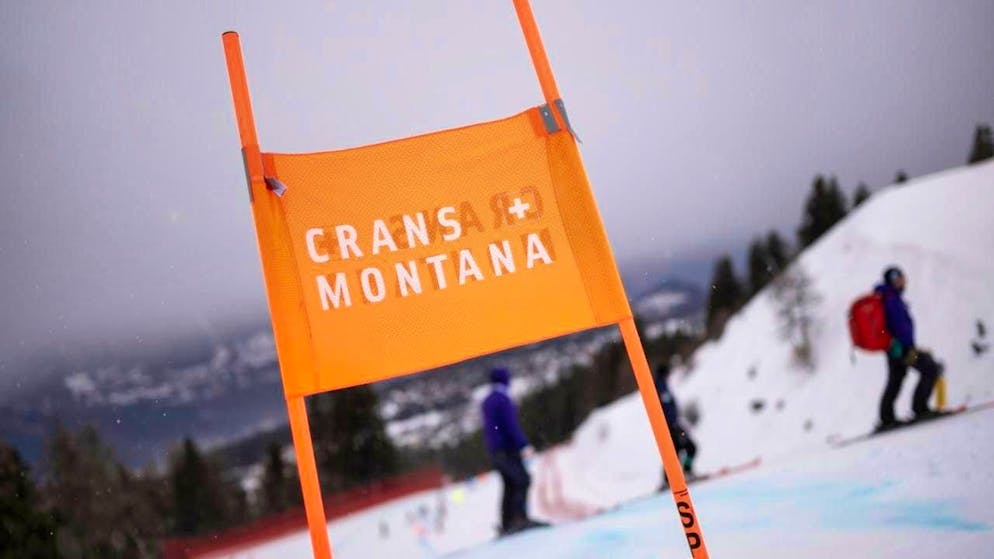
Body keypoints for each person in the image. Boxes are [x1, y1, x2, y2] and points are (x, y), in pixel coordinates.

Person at [875, 266, 944, 430]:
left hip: (897, 349)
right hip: (902, 350)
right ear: (893, 280)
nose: (903, 280)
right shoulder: (890, 299)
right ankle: (919, 408)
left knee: (896, 380)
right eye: (899, 278)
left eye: (902, 277)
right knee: (929, 368)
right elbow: (885, 327)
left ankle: (887, 418)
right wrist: (895, 343)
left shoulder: (890, 298)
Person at [481, 367, 543, 535]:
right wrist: (523, 444)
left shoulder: (487, 400)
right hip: (507, 449)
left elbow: (493, 427)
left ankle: (507, 523)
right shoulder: (502, 399)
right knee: (522, 480)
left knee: (509, 484)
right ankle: (519, 519)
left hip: (495, 451)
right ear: (505, 380)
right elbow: (510, 425)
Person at [654, 363, 697, 487]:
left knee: (675, 452)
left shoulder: (662, 386)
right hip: (671, 426)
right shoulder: (660, 387)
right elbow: (666, 409)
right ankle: (680, 474)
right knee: (689, 448)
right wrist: (673, 424)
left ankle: (668, 479)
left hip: (672, 425)